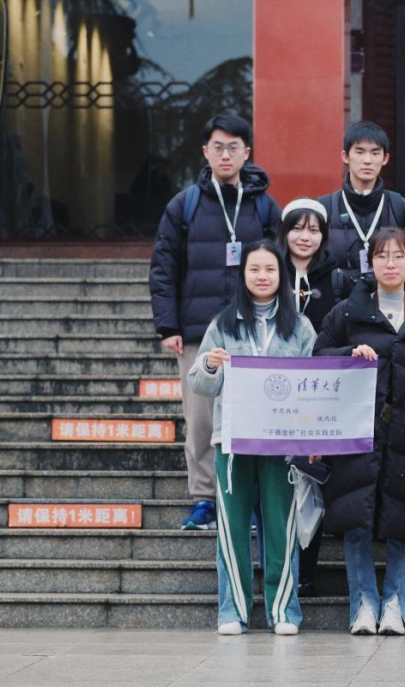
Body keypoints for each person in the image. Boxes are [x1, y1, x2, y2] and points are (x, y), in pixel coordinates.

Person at [312, 226, 405, 635]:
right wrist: (348, 353)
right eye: (381, 256)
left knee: (403, 520)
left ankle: (397, 605)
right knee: (356, 519)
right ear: (369, 262)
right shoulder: (346, 312)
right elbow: (318, 358)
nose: (390, 264)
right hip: (357, 432)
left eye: (398, 256)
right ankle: (363, 605)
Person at [150, 113, 282, 531]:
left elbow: (280, 265)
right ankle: (205, 498)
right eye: (218, 147)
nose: (226, 155)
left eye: (234, 147)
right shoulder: (184, 205)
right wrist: (169, 326)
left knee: (258, 414)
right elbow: (164, 267)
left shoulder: (264, 205)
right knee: (201, 419)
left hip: (256, 328)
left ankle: (255, 500)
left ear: (247, 152)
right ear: (206, 152)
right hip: (198, 331)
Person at [187, 240, 316, 636]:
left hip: (282, 442)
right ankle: (233, 611)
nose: (263, 276)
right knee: (232, 527)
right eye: (255, 269)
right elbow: (198, 383)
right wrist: (210, 365)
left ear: (282, 275)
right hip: (233, 440)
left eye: (270, 269)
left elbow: (313, 384)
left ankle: (283, 611)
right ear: (243, 275)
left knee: (281, 527)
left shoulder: (300, 327)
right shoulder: (223, 325)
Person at [274, 197, 341, 597]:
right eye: (298, 228)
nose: (305, 237)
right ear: (284, 232)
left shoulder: (338, 278)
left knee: (312, 479)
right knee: (280, 484)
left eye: (314, 230)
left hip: (320, 395)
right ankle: (279, 569)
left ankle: (306, 573)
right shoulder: (269, 271)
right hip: (276, 396)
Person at [317, 121, 405, 299]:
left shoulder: (400, 207)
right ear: (345, 156)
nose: (367, 160)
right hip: (335, 306)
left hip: (388, 304)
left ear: (385, 159)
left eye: (375, 153)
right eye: (360, 151)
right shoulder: (324, 208)